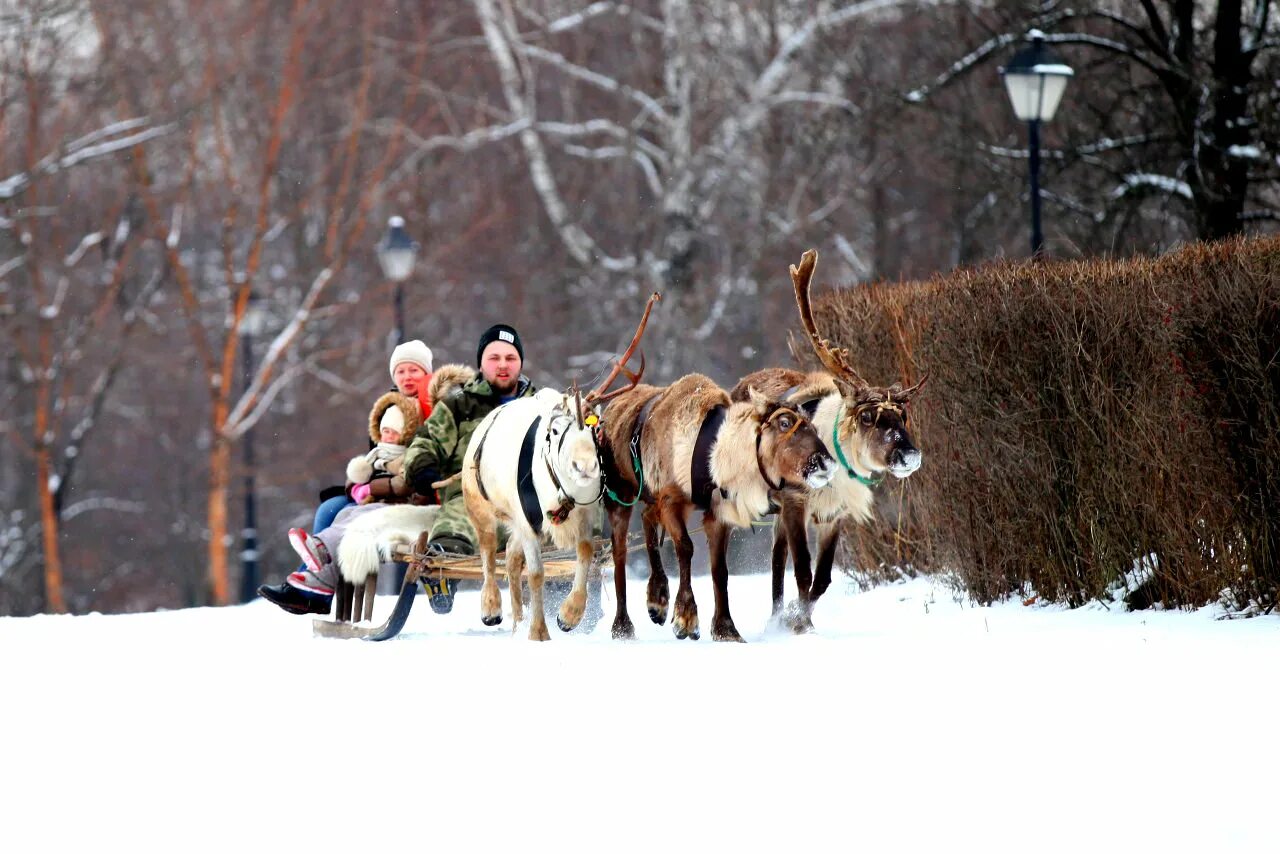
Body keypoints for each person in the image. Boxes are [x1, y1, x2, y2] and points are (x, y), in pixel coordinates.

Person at [257, 340, 434, 615]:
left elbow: (413, 470)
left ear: (427, 373)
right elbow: (375, 457)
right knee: (331, 507)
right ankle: (315, 588)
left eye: (415, 370)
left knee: (348, 513)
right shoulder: (387, 409)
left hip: (403, 494)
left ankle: (314, 583)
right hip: (379, 487)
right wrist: (359, 485)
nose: (408, 377)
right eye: (401, 371)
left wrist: (372, 487)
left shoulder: (432, 410)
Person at [402, 324, 536, 595]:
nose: (502, 365)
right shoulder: (459, 405)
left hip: (528, 505)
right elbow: (426, 442)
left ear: (520, 362)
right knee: (457, 520)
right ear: (481, 363)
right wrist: (423, 467)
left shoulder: (541, 406)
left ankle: (572, 592)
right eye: (494, 358)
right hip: (473, 500)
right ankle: (442, 571)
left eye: (510, 358)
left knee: (564, 521)